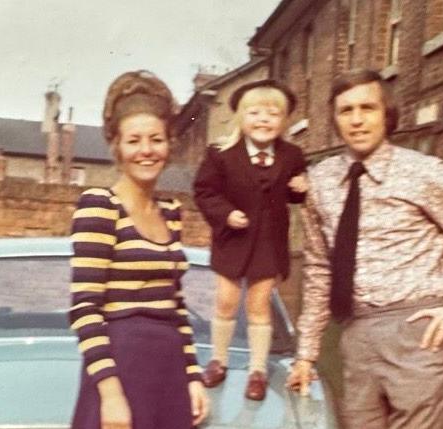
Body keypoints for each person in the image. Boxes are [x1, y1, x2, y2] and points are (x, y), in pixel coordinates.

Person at [286, 69, 443, 428]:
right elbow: (319, 268)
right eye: (345, 110)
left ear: (387, 114)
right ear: (335, 119)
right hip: (356, 335)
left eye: (367, 108)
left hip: (417, 333)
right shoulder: (321, 181)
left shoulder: (423, 172)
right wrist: (306, 354)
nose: (357, 120)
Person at [69, 70, 208, 429]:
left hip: (169, 370)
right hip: (120, 366)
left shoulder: (172, 213)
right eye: (134, 141)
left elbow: (176, 306)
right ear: (117, 146)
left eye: (156, 139)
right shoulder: (100, 205)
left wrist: (193, 376)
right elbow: (85, 308)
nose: (146, 150)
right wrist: (111, 395)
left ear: (169, 144)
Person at [192, 79, 308, 401]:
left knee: (259, 306)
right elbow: (204, 192)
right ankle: (219, 361)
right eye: (254, 112)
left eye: (273, 114)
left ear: (284, 121)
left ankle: (257, 370)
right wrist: (226, 214)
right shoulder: (221, 154)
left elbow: (291, 193)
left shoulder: (292, 155)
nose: (263, 119)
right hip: (233, 238)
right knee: (226, 302)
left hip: (269, 242)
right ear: (241, 118)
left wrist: (301, 187)